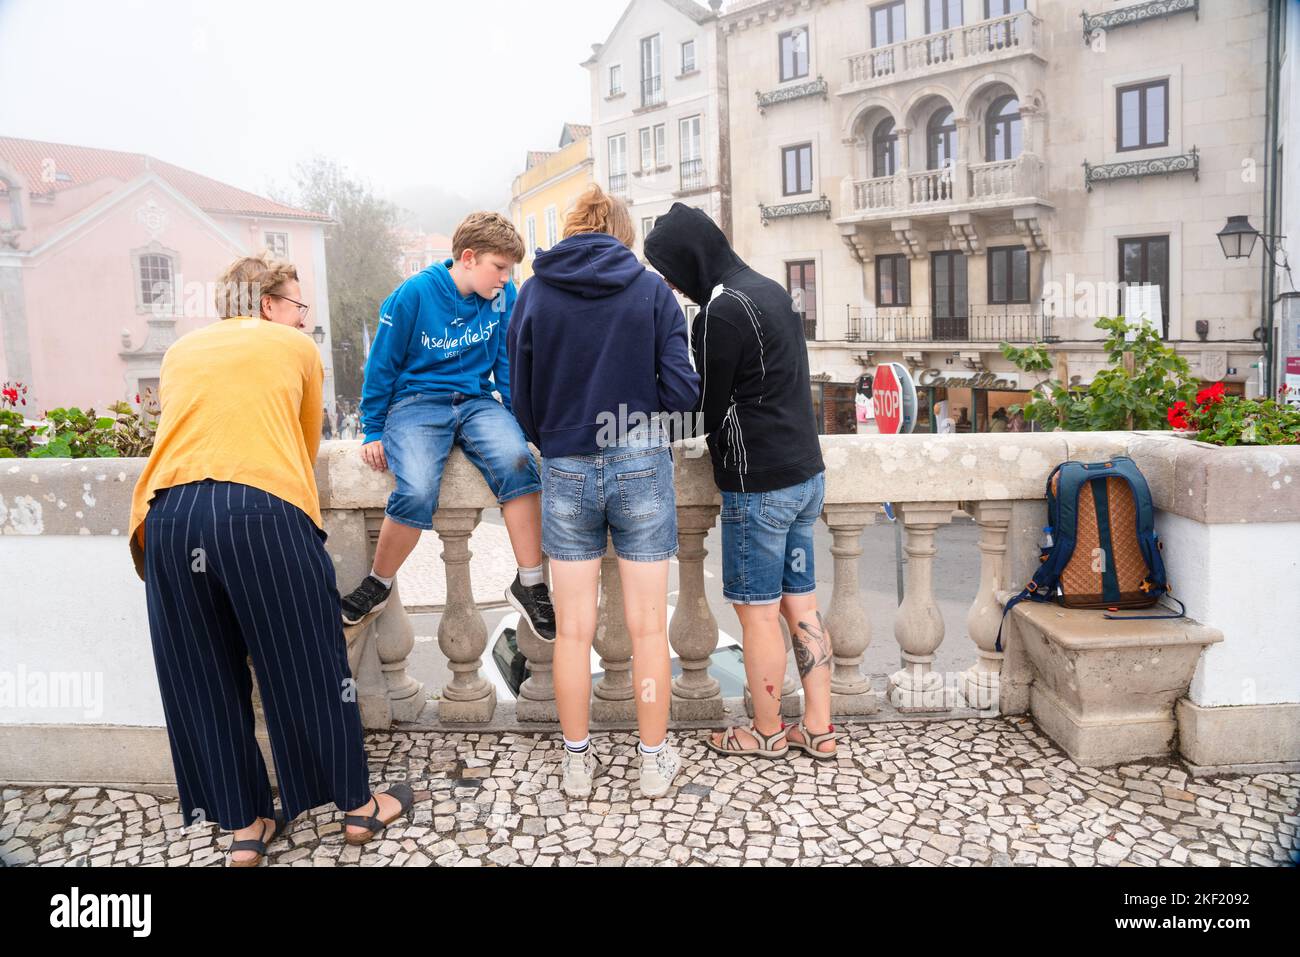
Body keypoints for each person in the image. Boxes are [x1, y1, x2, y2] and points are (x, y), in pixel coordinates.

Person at [127, 253, 413, 867]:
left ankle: (245, 827)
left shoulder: (181, 352)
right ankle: (358, 809)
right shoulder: (294, 349)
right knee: (309, 664)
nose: (303, 319)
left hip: (169, 517)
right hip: (258, 509)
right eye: (298, 306)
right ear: (267, 304)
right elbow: (302, 438)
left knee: (202, 676)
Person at [507, 185, 700, 799]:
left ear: (569, 227)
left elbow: (520, 391)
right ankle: (652, 762)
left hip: (564, 466)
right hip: (640, 458)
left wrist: (557, 436)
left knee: (572, 631)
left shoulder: (535, 292)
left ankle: (575, 764)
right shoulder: (650, 291)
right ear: (623, 231)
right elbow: (683, 390)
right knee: (647, 627)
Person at [644, 203, 838, 762]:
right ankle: (820, 729)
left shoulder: (719, 314)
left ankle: (767, 729)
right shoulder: (772, 290)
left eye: (669, 270)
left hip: (758, 485)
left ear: (689, 260)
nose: (671, 283)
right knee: (801, 606)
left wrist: (643, 423)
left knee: (757, 613)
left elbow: (704, 411)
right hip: (806, 476)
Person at [340, 212, 555, 644]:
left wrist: (521, 421)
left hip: (476, 402)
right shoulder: (414, 293)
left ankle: (529, 584)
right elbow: (382, 364)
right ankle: (378, 584)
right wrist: (373, 429)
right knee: (417, 488)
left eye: (509, 270)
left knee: (517, 463)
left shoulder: (503, 295)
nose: (504, 278)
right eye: (499, 267)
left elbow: (506, 363)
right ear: (469, 258)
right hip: (417, 404)